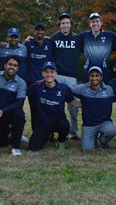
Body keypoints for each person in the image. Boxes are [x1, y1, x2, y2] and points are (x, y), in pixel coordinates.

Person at [27, 61, 74, 151]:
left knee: (65, 125)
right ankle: (47, 136)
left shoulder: (64, 88)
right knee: (33, 148)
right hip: (43, 124)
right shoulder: (36, 87)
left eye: (52, 72)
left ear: (56, 73)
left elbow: (74, 102)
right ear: (42, 73)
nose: (49, 74)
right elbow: (22, 94)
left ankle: (61, 141)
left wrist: (89, 101)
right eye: (47, 72)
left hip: (58, 122)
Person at [50, 12, 82, 140]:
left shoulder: (77, 39)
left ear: (71, 24)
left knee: (73, 106)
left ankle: (74, 133)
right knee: (54, 104)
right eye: (63, 23)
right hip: (57, 75)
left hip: (71, 77)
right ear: (59, 25)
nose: (65, 25)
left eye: (67, 23)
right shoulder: (54, 38)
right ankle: (52, 131)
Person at [71, 66, 116, 152]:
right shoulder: (82, 88)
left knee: (111, 131)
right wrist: (50, 82)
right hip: (89, 125)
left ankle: (102, 141)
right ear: (89, 77)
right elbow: (66, 90)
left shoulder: (109, 90)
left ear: (101, 77)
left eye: (97, 75)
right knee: (87, 150)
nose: (94, 78)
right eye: (92, 76)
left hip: (104, 122)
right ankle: (92, 138)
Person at [79, 12, 116, 83]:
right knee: (87, 92)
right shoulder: (84, 36)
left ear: (101, 23)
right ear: (90, 24)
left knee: (105, 91)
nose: (95, 24)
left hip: (104, 69)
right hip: (88, 70)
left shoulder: (109, 35)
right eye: (93, 22)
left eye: (97, 21)